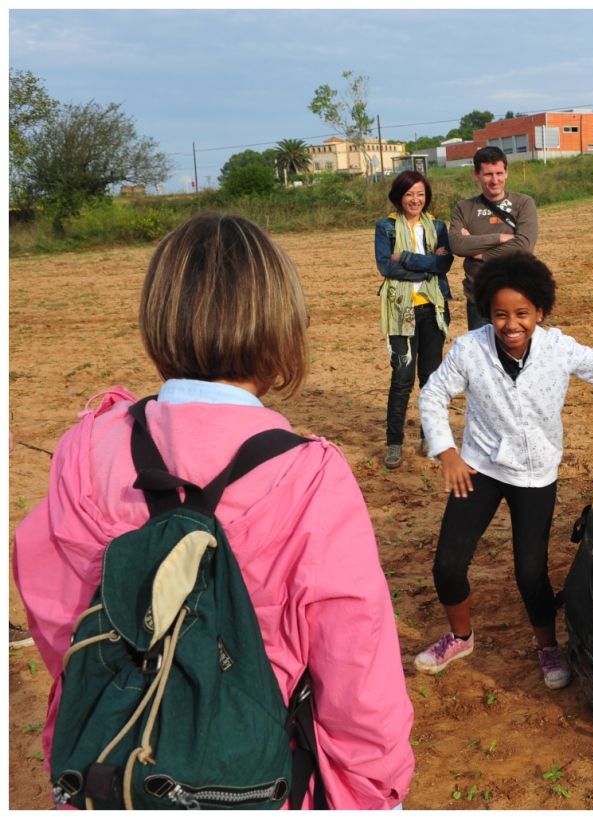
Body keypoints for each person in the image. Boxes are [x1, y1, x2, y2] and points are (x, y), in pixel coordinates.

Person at [13, 214, 415, 809]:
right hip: (253, 778)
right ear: (281, 328)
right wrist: (374, 793)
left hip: (111, 771)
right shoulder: (310, 476)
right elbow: (357, 669)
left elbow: (59, 623)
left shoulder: (84, 451)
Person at [414, 253, 593, 689]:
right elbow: (433, 394)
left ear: (540, 312)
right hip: (479, 466)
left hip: (535, 474)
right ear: (487, 314)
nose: (510, 324)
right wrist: (447, 452)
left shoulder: (558, 349)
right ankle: (461, 637)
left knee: (530, 572)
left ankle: (547, 646)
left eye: (521, 313)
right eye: (500, 315)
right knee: (447, 565)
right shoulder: (470, 349)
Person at [376, 170, 454, 469]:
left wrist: (406, 258)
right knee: (402, 379)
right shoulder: (385, 227)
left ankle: (428, 436)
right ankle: (394, 443)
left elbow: (445, 262)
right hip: (401, 310)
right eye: (410, 194)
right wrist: (428, 265)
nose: (415, 199)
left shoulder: (436, 226)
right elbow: (386, 266)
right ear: (399, 196)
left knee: (431, 379)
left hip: (433, 309)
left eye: (420, 194)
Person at [448, 145, 539, 330]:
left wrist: (479, 253)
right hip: (479, 300)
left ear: (506, 172)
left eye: (499, 173)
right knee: (482, 357)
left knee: (520, 356)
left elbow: (524, 246)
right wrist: (500, 238)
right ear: (476, 175)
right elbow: (457, 245)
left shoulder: (523, 203)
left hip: (518, 295)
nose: (495, 180)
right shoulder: (464, 208)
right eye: (488, 174)